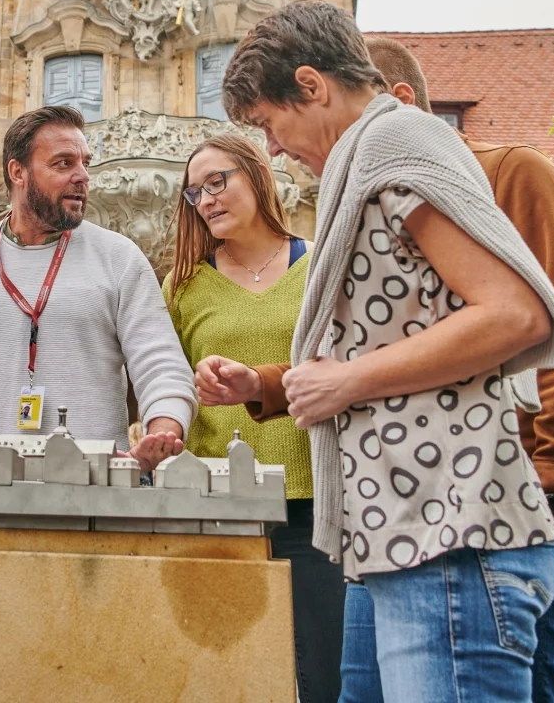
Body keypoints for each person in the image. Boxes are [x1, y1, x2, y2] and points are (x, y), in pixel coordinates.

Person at [215, 0, 554, 703]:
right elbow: (405, 333)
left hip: (453, 534)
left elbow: (513, 314)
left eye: (268, 123)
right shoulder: (371, 157)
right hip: (408, 532)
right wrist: (288, 383)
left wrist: (345, 381)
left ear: (312, 85)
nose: (273, 149)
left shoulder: (396, 142)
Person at [364, 35, 554, 703]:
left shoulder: (511, 174)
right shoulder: (379, 202)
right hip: (418, 500)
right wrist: (273, 384)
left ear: (399, 103)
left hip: (525, 492)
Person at [0, 105, 197, 468]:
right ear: (18, 172)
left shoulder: (120, 257)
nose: (83, 176)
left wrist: (161, 434)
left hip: (95, 488)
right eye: (64, 163)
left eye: (85, 163)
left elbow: (163, 368)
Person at [163, 133, 345, 703]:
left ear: (259, 176)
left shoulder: (323, 264)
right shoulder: (183, 286)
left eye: (218, 181)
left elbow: (348, 365)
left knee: (326, 676)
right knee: (229, 677)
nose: (206, 199)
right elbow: (165, 386)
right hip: (218, 505)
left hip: (315, 500)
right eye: (195, 192)